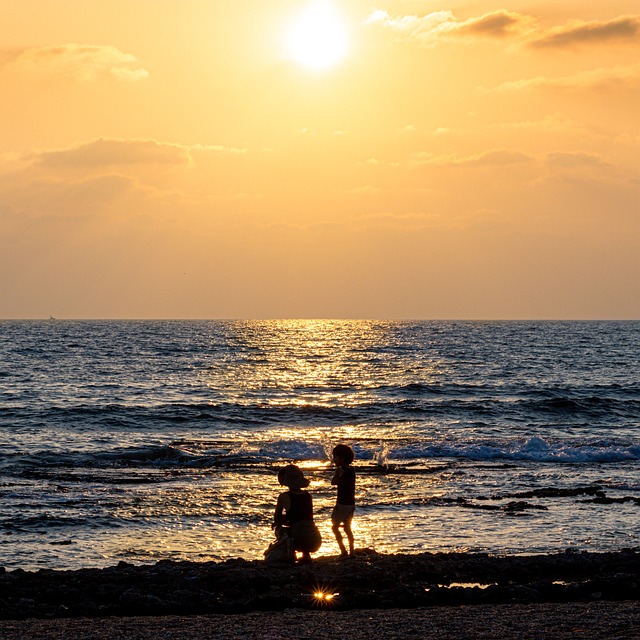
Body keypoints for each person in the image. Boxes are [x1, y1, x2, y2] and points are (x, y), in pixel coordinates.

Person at [273, 464, 322, 564]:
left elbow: (279, 517)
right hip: (314, 538)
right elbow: (306, 516)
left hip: (298, 538)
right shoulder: (308, 496)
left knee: (279, 528)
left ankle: (291, 553)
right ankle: (306, 555)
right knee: (301, 526)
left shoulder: (284, 496)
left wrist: (280, 521)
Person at [331, 444, 356, 558]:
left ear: (342, 458)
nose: (333, 460)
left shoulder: (340, 469)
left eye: (335, 457)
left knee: (335, 527)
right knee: (347, 527)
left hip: (342, 503)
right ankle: (352, 551)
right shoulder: (352, 470)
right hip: (351, 503)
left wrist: (336, 476)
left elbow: (334, 482)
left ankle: (343, 551)